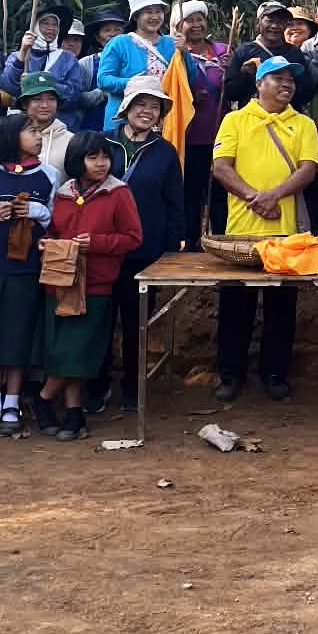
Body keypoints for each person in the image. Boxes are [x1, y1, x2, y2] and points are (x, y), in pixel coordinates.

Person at [211, 56, 318, 401]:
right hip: (240, 230)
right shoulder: (234, 120)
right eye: (278, 78)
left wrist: (273, 195)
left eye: (291, 79)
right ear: (259, 83)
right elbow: (220, 167)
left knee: (281, 306)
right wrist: (254, 197)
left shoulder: (304, 124)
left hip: (287, 231)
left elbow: (308, 169)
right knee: (235, 305)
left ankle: (275, 373)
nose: (287, 84)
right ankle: (230, 374)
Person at [40, 131, 143, 442]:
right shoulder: (63, 193)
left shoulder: (118, 193)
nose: (101, 163)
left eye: (105, 157)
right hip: (60, 282)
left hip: (96, 284)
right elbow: (54, 231)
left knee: (78, 350)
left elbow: (133, 238)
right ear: (77, 160)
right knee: (63, 350)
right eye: (92, 157)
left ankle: (43, 398)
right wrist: (47, 243)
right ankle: (74, 412)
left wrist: (96, 243)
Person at [100, 73, 185, 412]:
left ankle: (133, 387)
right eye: (141, 104)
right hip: (103, 250)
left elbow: (174, 203)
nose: (147, 111)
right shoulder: (103, 145)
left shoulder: (165, 152)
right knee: (101, 321)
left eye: (155, 106)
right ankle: (97, 384)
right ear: (125, 108)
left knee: (138, 324)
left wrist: (171, 249)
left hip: (145, 251)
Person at [0, 112, 57, 436]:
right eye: (32, 131)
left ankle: (13, 400)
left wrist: (39, 213)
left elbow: (57, 219)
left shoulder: (49, 175)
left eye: (39, 131)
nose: (39, 136)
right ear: (11, 137)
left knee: (18, 333)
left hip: (28, 268)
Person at [174, 0, 226, 240]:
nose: (196, 25)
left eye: (200, 19)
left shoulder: (223, 51)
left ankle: (221, 240)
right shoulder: (175, 53)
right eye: (189, 20)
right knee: (191, 192)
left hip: (220, 134)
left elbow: (238, 89)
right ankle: (192, 243)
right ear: (178, 25)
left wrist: (234, 74)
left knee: (219, 192)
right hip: (189, 134)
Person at [96, 0, 176, 130]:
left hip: (164, 122)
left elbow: (189, 79)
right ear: (136, 16)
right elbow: (103, 80)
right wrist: (133, 83)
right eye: (148, 12)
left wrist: (184, 52)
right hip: (123, 122)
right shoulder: (120, 43)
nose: (155, 16)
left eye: (158, 11)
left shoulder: (172, 44)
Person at [0, 1, 84, 129]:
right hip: (24, 126)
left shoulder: (68, 59)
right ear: (34, 27)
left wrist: (37, 82)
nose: (51, 28)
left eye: (55, 24)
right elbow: (8, 85)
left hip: (59, 126)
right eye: (45, 23)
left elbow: (74, 96)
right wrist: (23, 52)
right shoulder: (17, 56)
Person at [75, 7, 127, 131]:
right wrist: (102, 93)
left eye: (118, 30)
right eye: (107, 30)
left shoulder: (133, 60)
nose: (113, 34)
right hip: (93, 128)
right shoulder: (86, 63)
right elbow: (76, 98)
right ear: (98, 37)